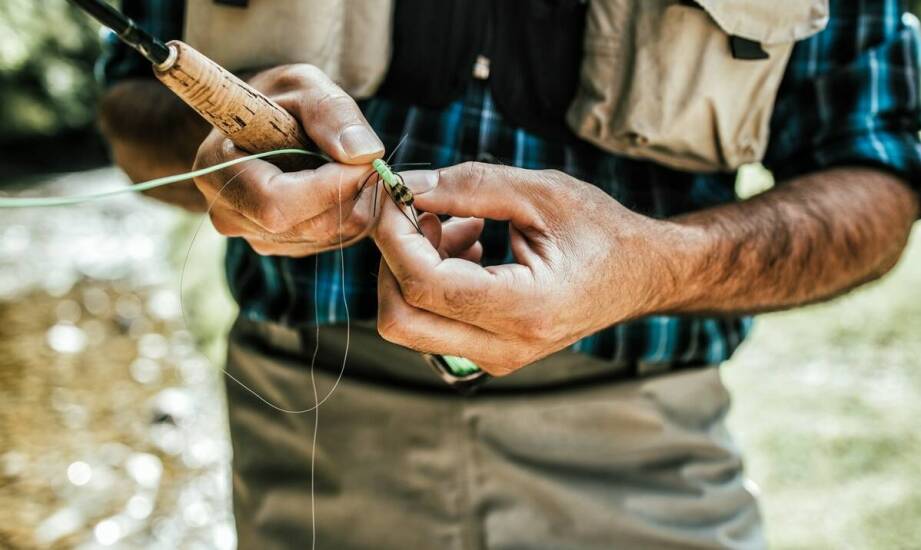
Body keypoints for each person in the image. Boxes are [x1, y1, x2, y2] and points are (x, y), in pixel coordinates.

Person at [99, 1, 921, 548]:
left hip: (644, 452)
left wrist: (655, 266)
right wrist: (223, 141)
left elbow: (877, 175)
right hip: (308, 448)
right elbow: (130, 109)